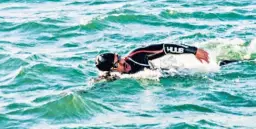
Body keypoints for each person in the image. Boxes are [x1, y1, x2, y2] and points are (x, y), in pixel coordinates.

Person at [95, 43, 238, 75]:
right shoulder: (112, 78)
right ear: (112, 69)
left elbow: (165, 48)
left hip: (175, 73)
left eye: (119, 56)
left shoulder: (136, 55)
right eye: (118, 61)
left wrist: (194, 51)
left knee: (216, 67)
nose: (122, 60)